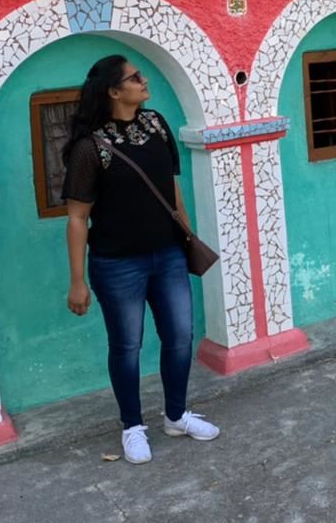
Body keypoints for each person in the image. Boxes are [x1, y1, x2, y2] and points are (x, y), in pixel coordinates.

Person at [61, 54, 219, 464]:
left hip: (167, 255)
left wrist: (186, 236)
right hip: (116, 265)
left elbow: (171, 189)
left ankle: (176, 414)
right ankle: (132, 427)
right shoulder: (89, 146)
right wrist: (77, 281)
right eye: (134, 78)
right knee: (127, 346)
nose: (143, 81)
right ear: (114, 91)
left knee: (180, 336)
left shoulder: (157, 125)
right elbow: (77, 218)